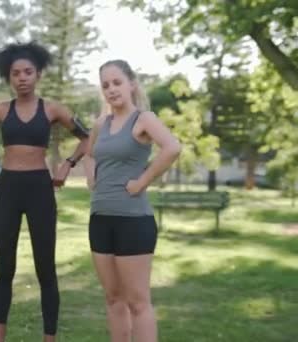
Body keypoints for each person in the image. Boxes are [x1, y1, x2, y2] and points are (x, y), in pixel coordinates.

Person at [0, 42, 90, 342]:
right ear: (9, 78)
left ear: (38, 74)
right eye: (15, 73)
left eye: (28, 72)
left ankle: (49, 338)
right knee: (4, 269)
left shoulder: (53, 109)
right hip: (7, 190)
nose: (22, 78)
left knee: (46, 268)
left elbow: (87, 138)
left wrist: (68, 165)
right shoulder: (0, 111)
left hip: (39, 190)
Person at [84, 59, 181, 342]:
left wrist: (142, 181)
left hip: (134, 222)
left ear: (131, 84)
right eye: (105, 85)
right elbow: (89, 154)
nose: (111, 89)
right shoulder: (102, 123)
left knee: (138, 302)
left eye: (117, 83)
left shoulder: (144, 119)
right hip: (100, 219)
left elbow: (173, 147)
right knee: (113, 299)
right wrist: (92, 179)